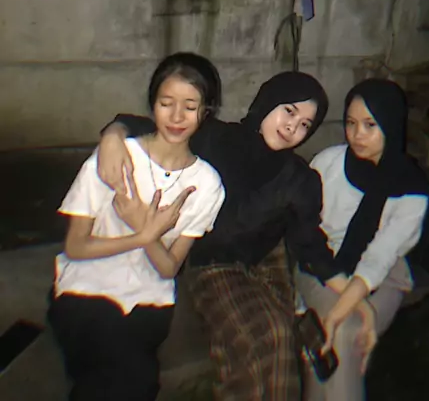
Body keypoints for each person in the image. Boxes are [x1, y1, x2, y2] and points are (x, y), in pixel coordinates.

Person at [97, 70, 377, 400]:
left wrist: (355, 296)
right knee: (271, 334)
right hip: (214, 262)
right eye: (289, 111)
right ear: (268, 102)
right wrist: (113, 136)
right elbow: (145, 126)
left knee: (278, 346)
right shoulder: (214, 138)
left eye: (305, 124)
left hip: (267, 264)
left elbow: (310, 246)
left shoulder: (300, 178)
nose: (293, 127)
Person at [48, 52, 225, 401]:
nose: (177, 116)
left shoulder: (207, 184)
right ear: (152, 104)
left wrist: (144, 231)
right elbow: (76, 247)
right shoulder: (116, 157)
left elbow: (168, 268)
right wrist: (144, 234)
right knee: (127, 377)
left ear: (206, 112)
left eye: (190, 106)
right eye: (166, 103)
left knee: (126, 376)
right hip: (85, 286)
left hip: (148, 297)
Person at [295, 78, 429, 401]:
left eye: (370, 125)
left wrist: (339, 311)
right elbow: (304, 234)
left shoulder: (411, 188)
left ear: (391, 124)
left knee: (340, 331)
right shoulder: (328, 163)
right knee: (345, 333)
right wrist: (349, 307)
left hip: (384, 274)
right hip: (321, 264)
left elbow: (380, 257)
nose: (357, 134)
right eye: (351, 123)